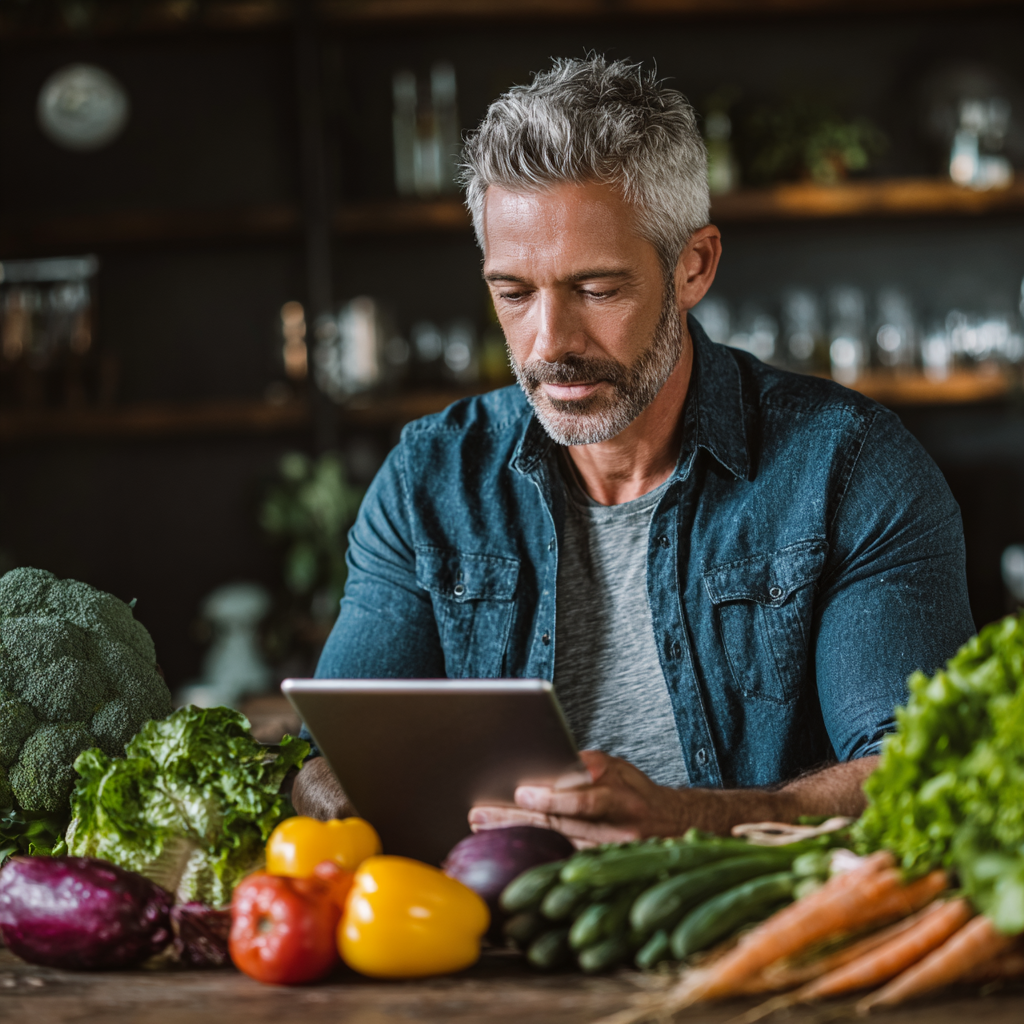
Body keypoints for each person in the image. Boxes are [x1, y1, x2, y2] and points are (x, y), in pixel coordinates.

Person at [292, 56, 974, 846]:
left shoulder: (849, 468)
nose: (551, 346)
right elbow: (327, 755)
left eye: (597, 289)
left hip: (751, 933)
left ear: (694, 265)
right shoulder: (429, 478)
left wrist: (694, 819)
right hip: (480, 942)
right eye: (514, 293)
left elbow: (919, 767)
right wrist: (329, 786)